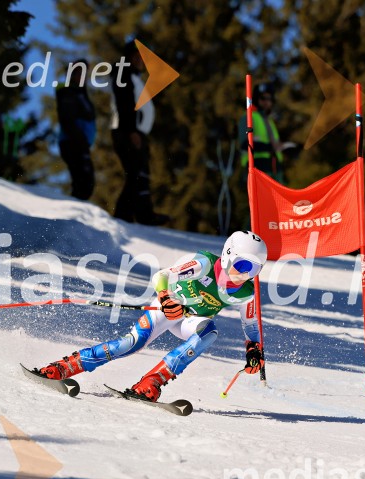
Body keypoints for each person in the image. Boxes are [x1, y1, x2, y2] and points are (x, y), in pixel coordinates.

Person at [33, 231, 269, 402]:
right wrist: (166, 299)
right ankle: (65, 367)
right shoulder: (204, 264)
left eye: (254, 269)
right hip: (165, 308)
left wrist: (254, 351)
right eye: (243, 264)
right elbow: (162, 276)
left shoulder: (246, 293)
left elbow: (251, 327)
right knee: (131, 344)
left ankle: (151, 382)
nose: (245, 274)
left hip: (190, 320)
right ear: (228, 255)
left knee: (209, 332)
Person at [110, 40, 169, 225]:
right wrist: (131, 131)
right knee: (136, 173)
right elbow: (125, 103)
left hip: (134, 131)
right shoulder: (123, 73)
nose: (140, 61)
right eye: (136, 56)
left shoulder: (132, 76)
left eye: (142, 57)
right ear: (127, 57)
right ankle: (134, 216)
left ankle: (131, 215)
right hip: (127, 131)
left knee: (138, 174)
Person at [56, 59, 96, 200]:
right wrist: (79, 138)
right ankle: (73, 214)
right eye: (79, 72)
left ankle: (75, 212)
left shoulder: (81, 94)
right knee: (83, 182)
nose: (82, 76)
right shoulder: (68, 93)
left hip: (81, 143)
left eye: (85, 73)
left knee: (85, 182)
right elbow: (67, 119)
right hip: (73, 142)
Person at [239, 82, 285, 183]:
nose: (266, 102)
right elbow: (244, 144)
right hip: (257, 166)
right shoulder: (249, 117)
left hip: (275, 167)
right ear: (257, 99)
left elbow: (276, 144)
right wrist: (267, 147)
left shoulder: (269, 120)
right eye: (263, 98)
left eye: (269, 99)